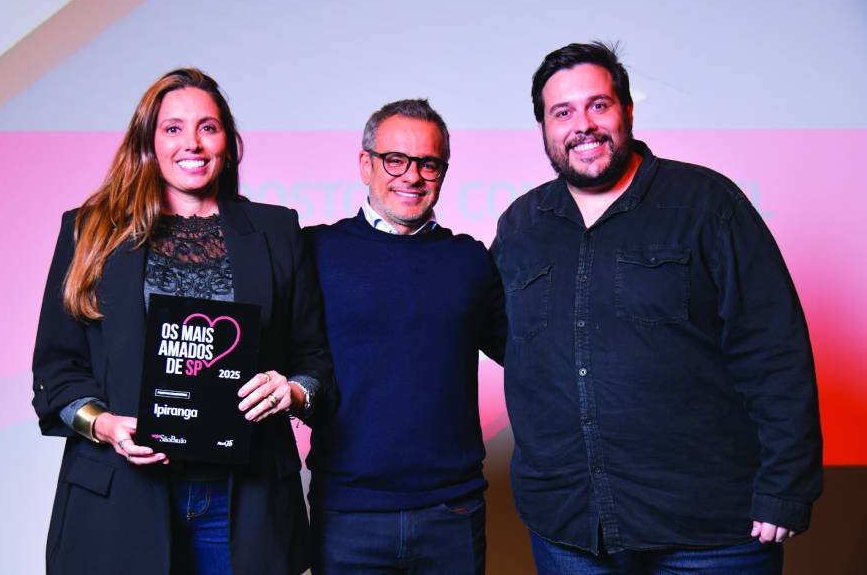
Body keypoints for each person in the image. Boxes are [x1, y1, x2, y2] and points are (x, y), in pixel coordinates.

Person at [490, 42, 822, 573]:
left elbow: (774, 347)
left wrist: (786, 486)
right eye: (563, 112)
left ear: (626, 110)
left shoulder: (707, 204)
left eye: (598, 105)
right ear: (544, 128)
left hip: (710, 534)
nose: (583, 124)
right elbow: (506, 334)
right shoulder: (520, 226)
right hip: (571, 531)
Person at [31, 68, 335, 575]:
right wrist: (103, 425)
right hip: (121, 498)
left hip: (245, 498)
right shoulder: (90, 230)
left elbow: (315, 360)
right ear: (148, 140)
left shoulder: (277, 230)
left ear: (228, 142)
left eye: (208, 127)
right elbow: (57, 368)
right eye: (173, 128)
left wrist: (294, 392)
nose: (191, 143)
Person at [303, 99, 506, 574]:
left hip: (452, 511)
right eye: (395, 159)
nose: (411, 176)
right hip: (348, 512)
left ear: (443, 171)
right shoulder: (315, 251)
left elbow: (529, 353)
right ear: (365, 164)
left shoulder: (469, 259)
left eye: (428, 163)